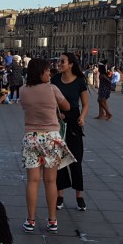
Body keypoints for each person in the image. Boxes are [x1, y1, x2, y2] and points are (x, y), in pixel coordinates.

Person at [19, 57, 72, 232]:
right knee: (50, 181)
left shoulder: (22, 90)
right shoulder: (52, 88)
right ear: (40, 72)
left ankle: (30, 220)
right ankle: (52, 220)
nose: (50, 73)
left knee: (32, 181)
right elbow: (66, 107)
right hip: (51, 138)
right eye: (47, 70)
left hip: (31, 137)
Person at [53, 52, 90, 212]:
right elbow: (51, 101)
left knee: (76, 159)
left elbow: (85, 104)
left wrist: (82, 117)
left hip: (74, 120)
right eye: (59, 61)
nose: (59, 64)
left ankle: (79, 196)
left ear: (71, 64)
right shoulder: (55, 80)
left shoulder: (80, 81)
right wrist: (56, 114)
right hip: (58, 120)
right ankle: (60, 195)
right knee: (59, 159)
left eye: (62, 61)